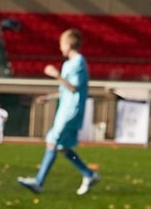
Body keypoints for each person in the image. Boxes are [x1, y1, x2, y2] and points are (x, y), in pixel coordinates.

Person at [18, 27, 100, 196]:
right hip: (65, 108)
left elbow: (73, 87)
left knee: (52, 141)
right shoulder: (69, 63)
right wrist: (48, 97)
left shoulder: (78, 62)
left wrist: (56, 75)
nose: (60, 48)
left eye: (62, 44)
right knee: (63, 147)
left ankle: (39, 182)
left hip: (72, 110)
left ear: (69, 44)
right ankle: (88, 174)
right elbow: (65, 90)